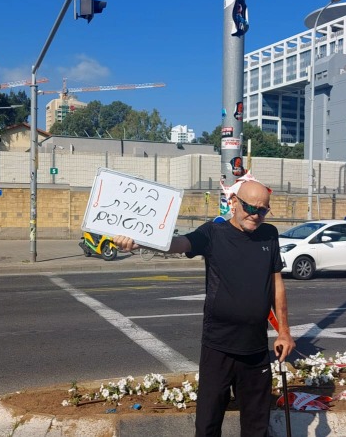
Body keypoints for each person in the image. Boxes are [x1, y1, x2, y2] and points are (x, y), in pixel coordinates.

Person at [114, 179, 294, 437]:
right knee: (207, 425)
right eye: (250, 208)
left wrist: (284, 331)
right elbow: (181, 243)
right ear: (233, 203)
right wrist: (141, 242)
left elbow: (277, 284)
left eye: (262, 210)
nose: (255, 215)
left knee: (257, 427)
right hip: (218, 348)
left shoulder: (269, 235)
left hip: (255, 350)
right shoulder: (213, 233)